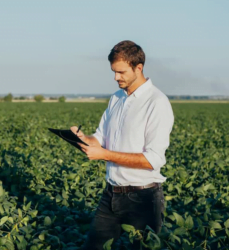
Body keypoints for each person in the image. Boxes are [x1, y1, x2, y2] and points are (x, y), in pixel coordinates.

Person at [71, 40, 174, 250]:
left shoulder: (156, 102)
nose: (116, 77)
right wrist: (83, 138)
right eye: (113, 72)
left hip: (143, 199)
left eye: (121, 72)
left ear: (139, 68)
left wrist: (104, 155)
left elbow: (152, 160)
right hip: (111, 194)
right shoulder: (116, 98)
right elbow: (100, 138)